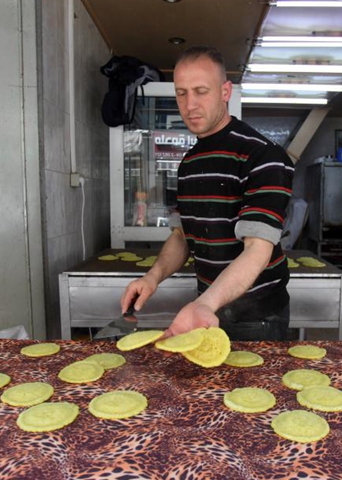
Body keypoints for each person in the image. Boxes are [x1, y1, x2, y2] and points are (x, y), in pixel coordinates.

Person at [120, 46, 294, 341]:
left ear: (225, 91)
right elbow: (182, 237)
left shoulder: (263, 155)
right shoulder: (189, 162)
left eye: (201, 91)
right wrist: (152, 277)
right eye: (182, 93)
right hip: (205, 311)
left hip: (257, 318)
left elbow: (258, 248)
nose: (190, 105)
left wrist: (204, 304)